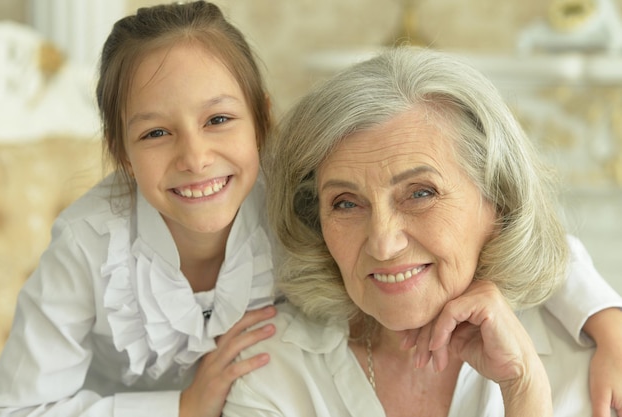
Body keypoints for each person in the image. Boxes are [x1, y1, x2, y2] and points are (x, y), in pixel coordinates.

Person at [223, 46, 622, 416]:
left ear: (499, 199)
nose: (383, 243)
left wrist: (524, 387)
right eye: (346, 202)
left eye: (420, 193)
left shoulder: (593, 366)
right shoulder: (274, 372)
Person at [0, 2, 278, 417]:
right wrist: (182, 408)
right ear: (122, 153)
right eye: (156, 132)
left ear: (262, 120)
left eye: (218, 119)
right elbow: (20, 408)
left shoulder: (297, 216)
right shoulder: (87, 245)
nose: (195, 159)